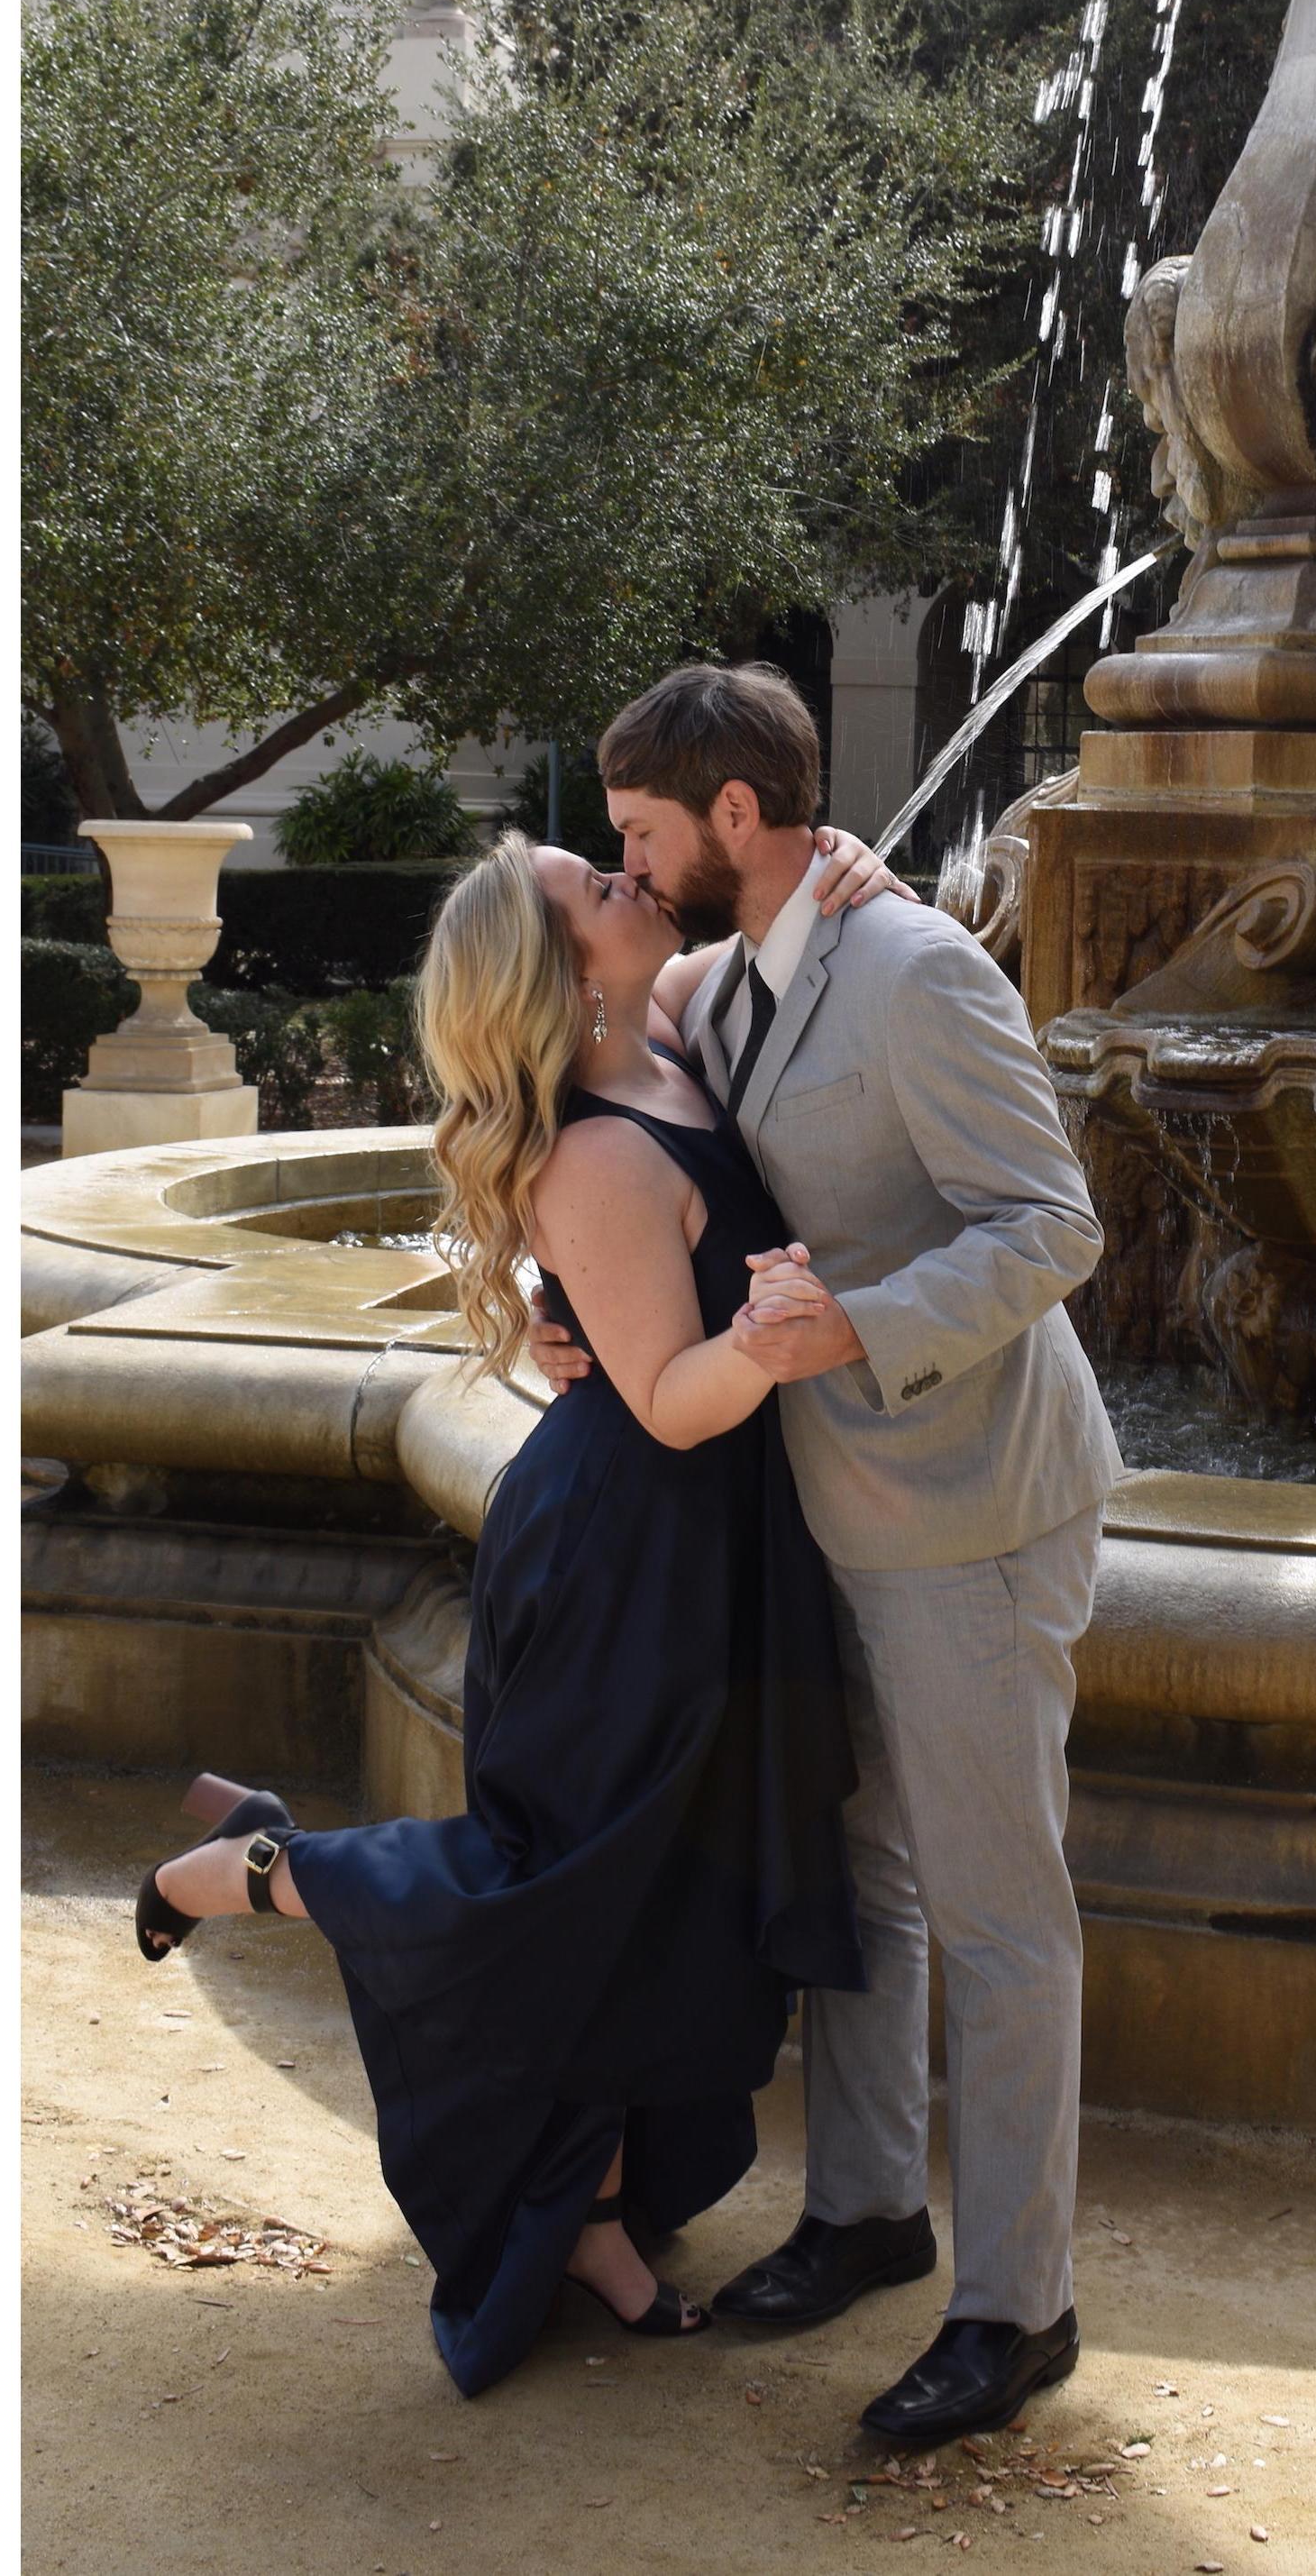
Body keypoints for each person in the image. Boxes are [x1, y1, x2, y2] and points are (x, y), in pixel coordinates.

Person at [130, 821, 904, 2399]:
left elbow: (739, 941)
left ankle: (593, 2221)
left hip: (695, 1545)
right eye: (590, 888)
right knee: (554, 1887)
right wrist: (775, 1338)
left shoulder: (660, 1028)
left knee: (644, 1902)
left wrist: (849, 870)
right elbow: (672, 1400)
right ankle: (259, 1868)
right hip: (625, 1554)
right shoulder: (594, 1155)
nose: (627, 879)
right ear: (562, 977)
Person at [533, 660, 1124, 2448]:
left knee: (998, 1911)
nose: (629, 868)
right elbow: (651, 1149)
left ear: (733, 815)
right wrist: (574, 1311)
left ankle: (1017, 2305)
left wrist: (859, 1325)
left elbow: (1054, 1225)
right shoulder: (724, 978)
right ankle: (867, 2208)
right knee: (864, 1878)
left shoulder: (918, 968)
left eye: (641, 833)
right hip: (819, 1506)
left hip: (972, 1505)